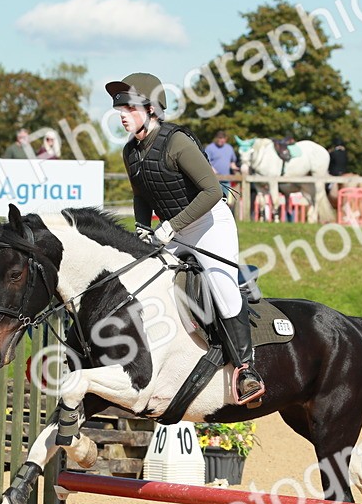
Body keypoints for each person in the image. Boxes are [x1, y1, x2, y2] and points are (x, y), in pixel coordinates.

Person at [106, 72, 265, 405]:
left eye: (130, 108)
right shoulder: (131, 151)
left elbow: (212, 191)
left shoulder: (176, 142)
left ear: (151, 109)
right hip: (173, 230)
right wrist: (142, 226)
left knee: (223, 291)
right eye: (120, 109)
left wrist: (171, 226)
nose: (122, 115)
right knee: (142, 281)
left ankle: (246, 371)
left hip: (209, 225)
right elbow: (141, 194)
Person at [204, 130, 238, 197]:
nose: (221, 140)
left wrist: (234, 168)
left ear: (225, 139)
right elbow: (206, 162)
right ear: (216, 138)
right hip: (214, 179)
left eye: (222, 138)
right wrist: (213, 170)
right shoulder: (210, 148)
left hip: (226, 179)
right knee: (216, 198)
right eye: (219, 138)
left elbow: (232, 162)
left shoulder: (229, 148)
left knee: (226, 198)